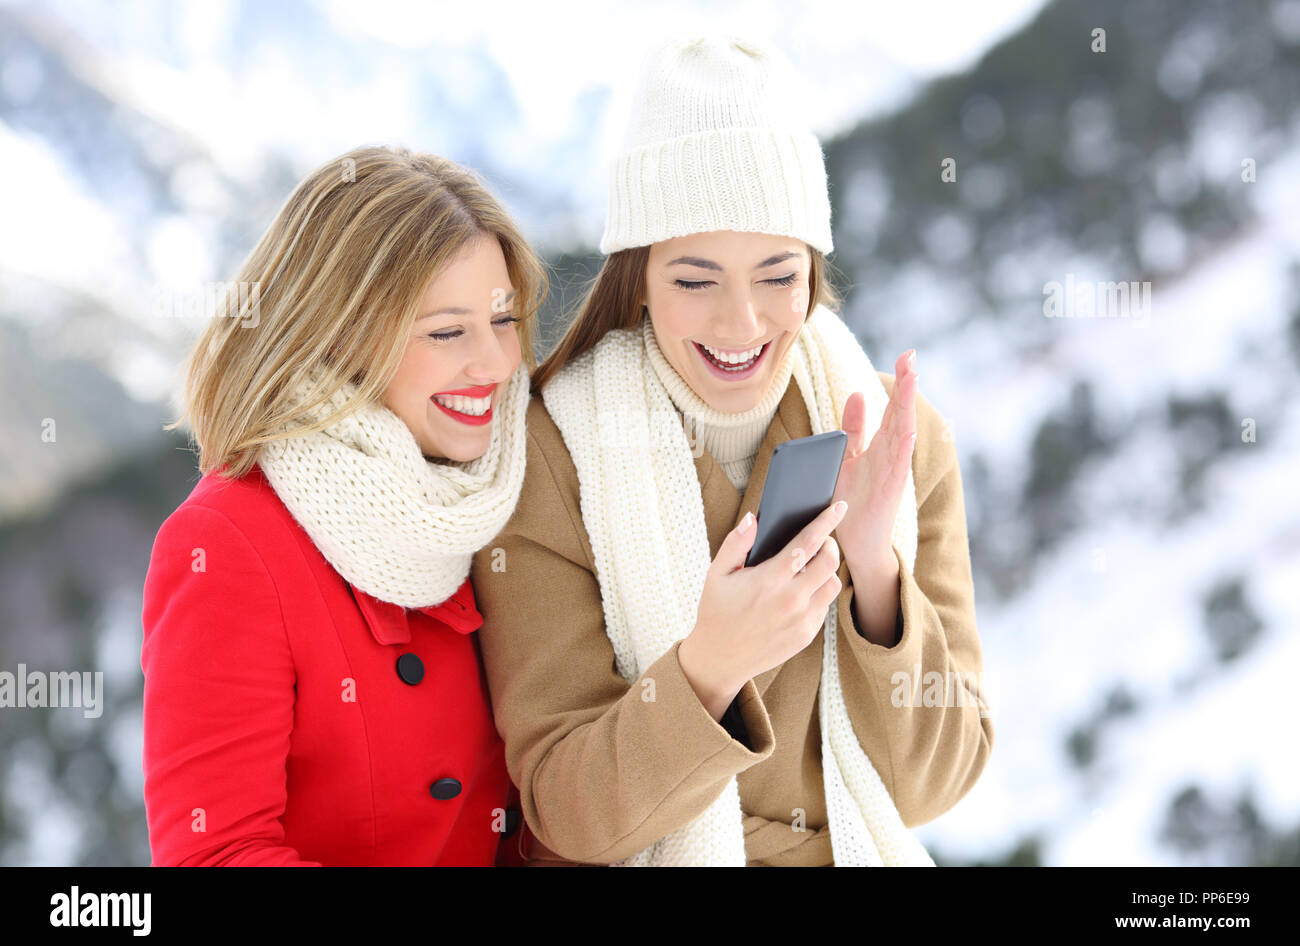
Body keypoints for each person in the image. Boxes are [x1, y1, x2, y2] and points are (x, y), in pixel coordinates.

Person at [470, 35, 994, 866]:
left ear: (816, 272)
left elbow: (939, 782)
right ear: (637, 274)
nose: (742, 325)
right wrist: (709, 669)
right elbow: (564, 813)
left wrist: (878, 582)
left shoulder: (897, 440)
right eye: (695, 279)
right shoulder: (552, 454)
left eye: (779, 275)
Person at [141, 145, 545, 865]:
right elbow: (215, 854)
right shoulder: (228, 542)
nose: (495, 364)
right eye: (448, 332)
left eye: (504, 320)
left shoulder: (503, 489)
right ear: (339, 335)